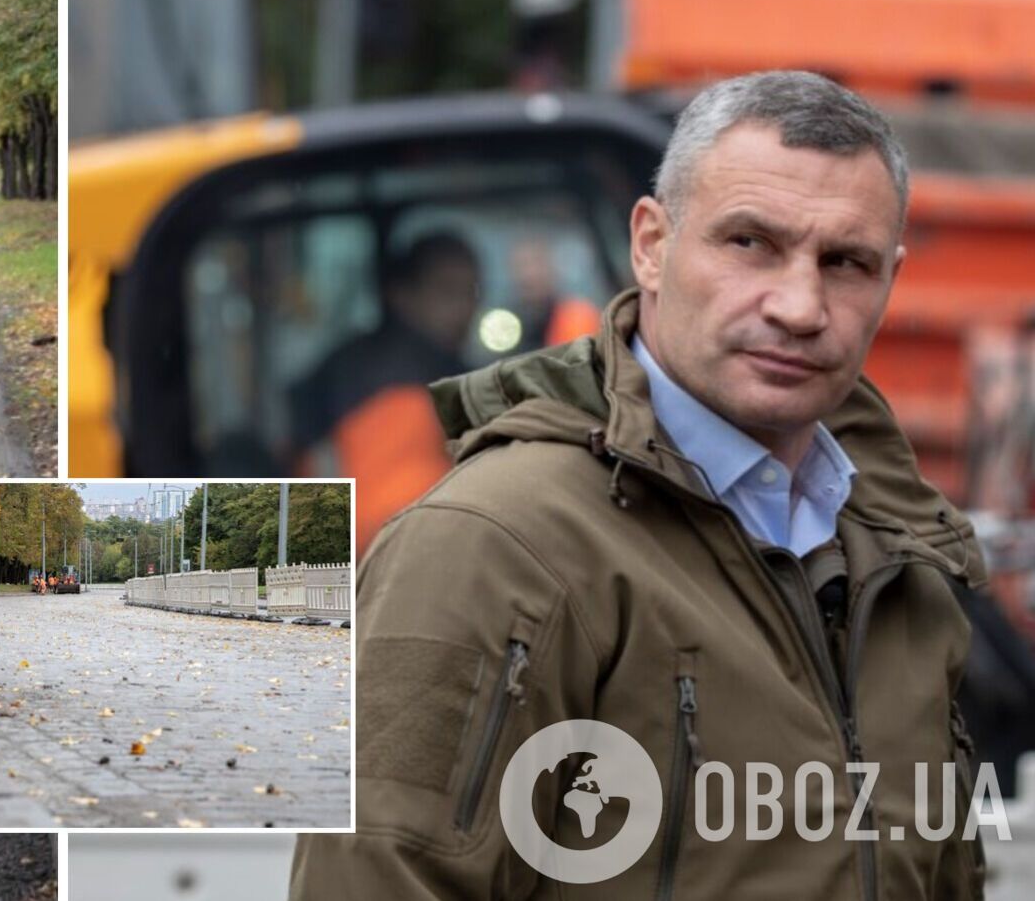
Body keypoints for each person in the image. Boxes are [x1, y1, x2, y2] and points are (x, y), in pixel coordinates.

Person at [291, 71, 989, 899]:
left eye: (846, 262)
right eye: (750, 243)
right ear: (652, 245)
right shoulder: (492, 546)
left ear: (890, 281)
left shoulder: (906, 564)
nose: (801, 306)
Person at [293, 231, 479, 541]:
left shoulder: (342, 362)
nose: (463, 308)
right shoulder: (414, 382)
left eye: (471, 291)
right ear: (401, 296)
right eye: (446, 291)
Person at [509, 234, 602, 350]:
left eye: (536, 263)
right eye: (521, 266)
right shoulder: (509, 321)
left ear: (551, 267)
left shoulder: (575, 316)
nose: (528, 275)